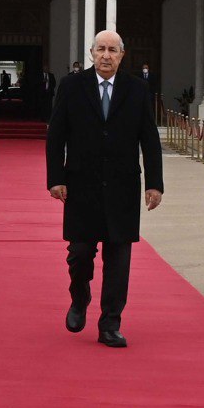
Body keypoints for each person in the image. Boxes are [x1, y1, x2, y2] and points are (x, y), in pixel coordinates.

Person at [46, 30, 163, 349]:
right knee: (80, 253)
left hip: (123, 185)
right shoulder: (72, 86)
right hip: (81, 185)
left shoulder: (137, 89)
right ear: (91, 52)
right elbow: (56, 135)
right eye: (101, 49)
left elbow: (149, 139)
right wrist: (56, 178)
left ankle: (111, 323)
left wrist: (155, 183)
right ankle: (80, 296)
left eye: (113, 50)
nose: (106, 55)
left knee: (119, 259)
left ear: (122, 55)